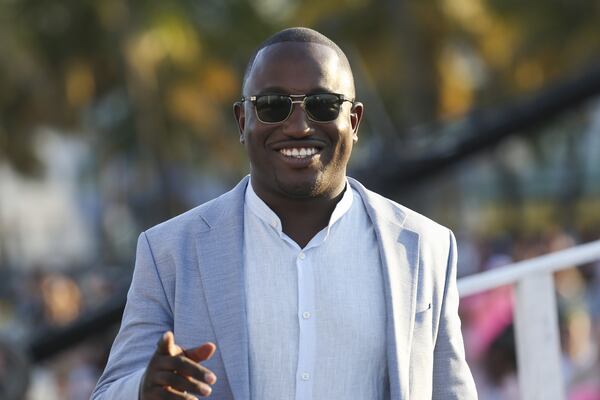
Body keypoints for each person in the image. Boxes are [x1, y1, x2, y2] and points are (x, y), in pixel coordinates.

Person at [91, 27, 477, 400]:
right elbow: (109, 392)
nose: (298, 126)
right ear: (244, 122)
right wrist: (144, 391)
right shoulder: (169, 252)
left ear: (354, 121)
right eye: (272, 106)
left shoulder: (426, 247)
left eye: (323, 104)